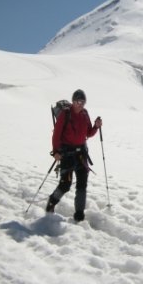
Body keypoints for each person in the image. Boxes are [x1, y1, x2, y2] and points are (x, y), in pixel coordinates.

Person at [46, 89, 102, 221]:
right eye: (78, 101)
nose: (80, 104)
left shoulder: (84, 114)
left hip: (81, 154)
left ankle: (79, 214)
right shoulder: (65, 114)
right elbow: (56, 134)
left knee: (82, 185)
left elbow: (88, 133)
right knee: (65, 185)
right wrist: (55, 152)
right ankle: (51, 202)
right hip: (67, 154)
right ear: (73, 101)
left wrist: (96, 126)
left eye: (83, 101)